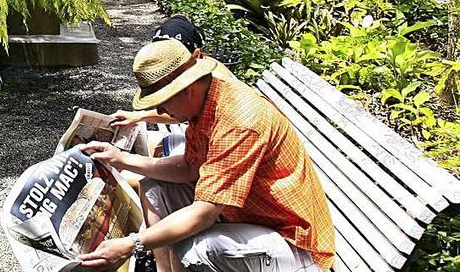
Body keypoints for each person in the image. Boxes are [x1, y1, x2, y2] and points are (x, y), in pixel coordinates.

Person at [75, 39, 335, 272]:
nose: (160, 110)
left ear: (185, 89)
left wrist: (132, 244)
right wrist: (121, 158)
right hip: (245, 217)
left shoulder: (238, 121)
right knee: (154, 186)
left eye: (162, 102)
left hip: (293, 244)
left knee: (194, 247)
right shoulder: (204, 104)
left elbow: (204, 214)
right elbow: (189, 168)